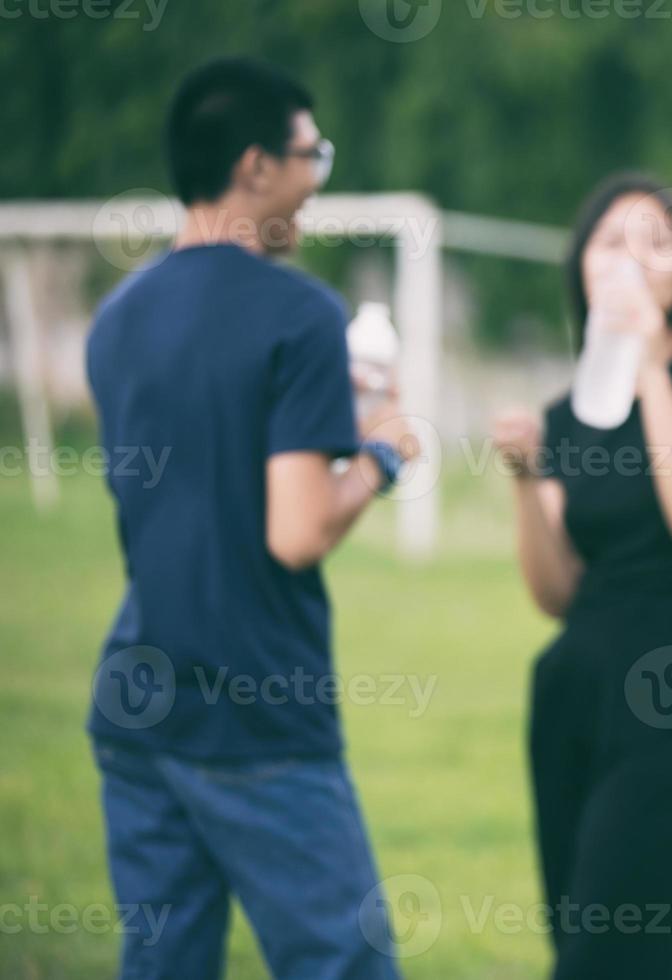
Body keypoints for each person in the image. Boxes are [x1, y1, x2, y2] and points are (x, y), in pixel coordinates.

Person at [85, 57, 416, 980]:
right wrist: (381, 456)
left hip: (137, 702)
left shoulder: (116, 319)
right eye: (313, 153)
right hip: (258, 708)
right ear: (255, 164)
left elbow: (201, 483)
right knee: (346, 966)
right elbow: (296, 531)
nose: (318, 178)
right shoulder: (299, 314)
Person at [490, 173, 672, 979]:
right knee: (576, 932)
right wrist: (524, 477)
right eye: (610, 240)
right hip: (571, 688)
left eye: (656, 241)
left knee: (614, 957)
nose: (628, 259)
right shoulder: (565, 413)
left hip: (670, 689)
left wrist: (649, 362)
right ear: (580, 266)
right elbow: (556, 592)